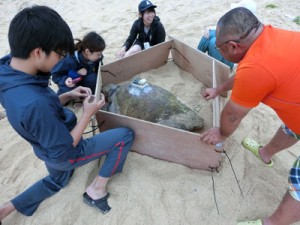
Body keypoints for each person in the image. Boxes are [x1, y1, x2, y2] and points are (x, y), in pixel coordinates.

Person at [0, 5, 135, 223]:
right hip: (63, 152)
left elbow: (42, 107)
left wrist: (67, 94)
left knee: (56, 181)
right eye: (60, 54)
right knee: (124, 136)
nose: (61, 59)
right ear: (37, 52)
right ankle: (96, 190)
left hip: (44, 147)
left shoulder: (8, 72)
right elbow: (65, 147)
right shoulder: (35, 105)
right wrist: (87, 113)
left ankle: (6, 209)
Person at [199, 7, 300, 225]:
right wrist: (219, 90)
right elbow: (245, 72)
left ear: (233, 46)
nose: (219, 52)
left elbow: (233, 115)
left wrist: (221, 134)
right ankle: (265, 153)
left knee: (298, 182)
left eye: (219, 48)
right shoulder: (271, 36)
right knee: (292, 126)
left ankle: (271, 223)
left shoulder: (256, 67)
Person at [197, 0, 257, 71]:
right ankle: (196, 57)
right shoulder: (238, 22)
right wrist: (210, 28)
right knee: (209, 33)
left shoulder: (247, 29)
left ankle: (216, 68)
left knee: (213, 42)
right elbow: (224, 28)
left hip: (232, 59)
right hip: (227, 47)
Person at [52, 31, 105, 95]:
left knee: (92, 78)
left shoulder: (94, 57)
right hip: (71, 83)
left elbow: (97, 68)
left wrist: (87, 70)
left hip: (82, 79)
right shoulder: (68, 60)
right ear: (87, 51)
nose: (100, 56)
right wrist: (66, 80)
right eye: (98, 54)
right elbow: (55, 75)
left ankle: (90, 96)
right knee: (65, 90)